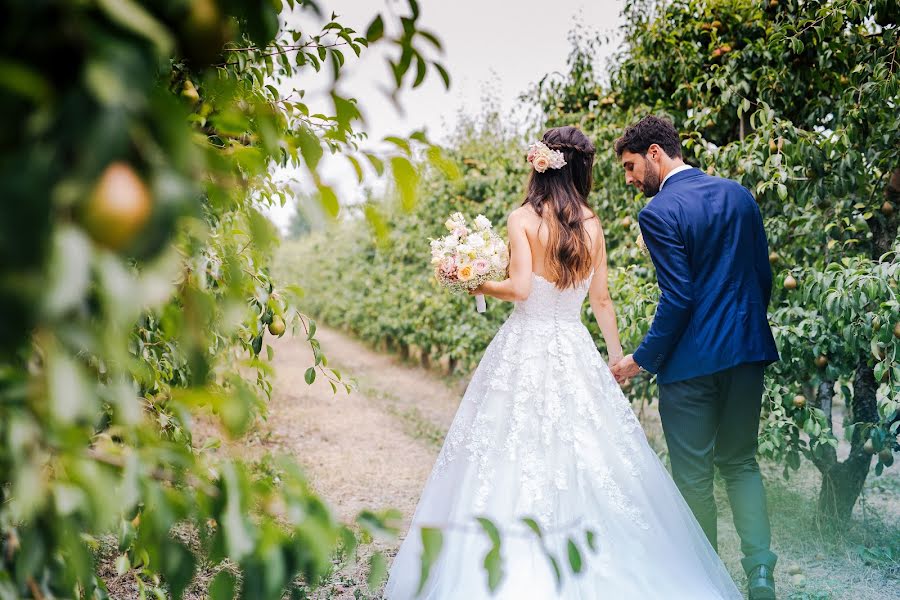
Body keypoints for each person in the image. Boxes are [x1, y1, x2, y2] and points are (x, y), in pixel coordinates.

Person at [383, 125, 742, 599]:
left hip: (524, 347)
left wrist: (474, 283)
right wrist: (615, 360)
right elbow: (602, 300)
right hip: (574, 348)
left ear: (540, 165)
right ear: (581, 170)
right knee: (591, 448)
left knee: (506, 448)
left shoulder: (522, 218)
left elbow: (519, 290)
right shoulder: (592, 224)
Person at [610, 115, 780, 600]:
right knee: (742, 462)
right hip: (747, 353)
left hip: (690, 367)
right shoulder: (739, 194)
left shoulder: (659, 212)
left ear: (656, 154)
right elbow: (759, 278)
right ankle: (760, 573)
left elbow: (679, 297)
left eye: (629, 166)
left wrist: (641, 359)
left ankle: (706, 581)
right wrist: (743, 335)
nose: (629, 178)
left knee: (693, 475)